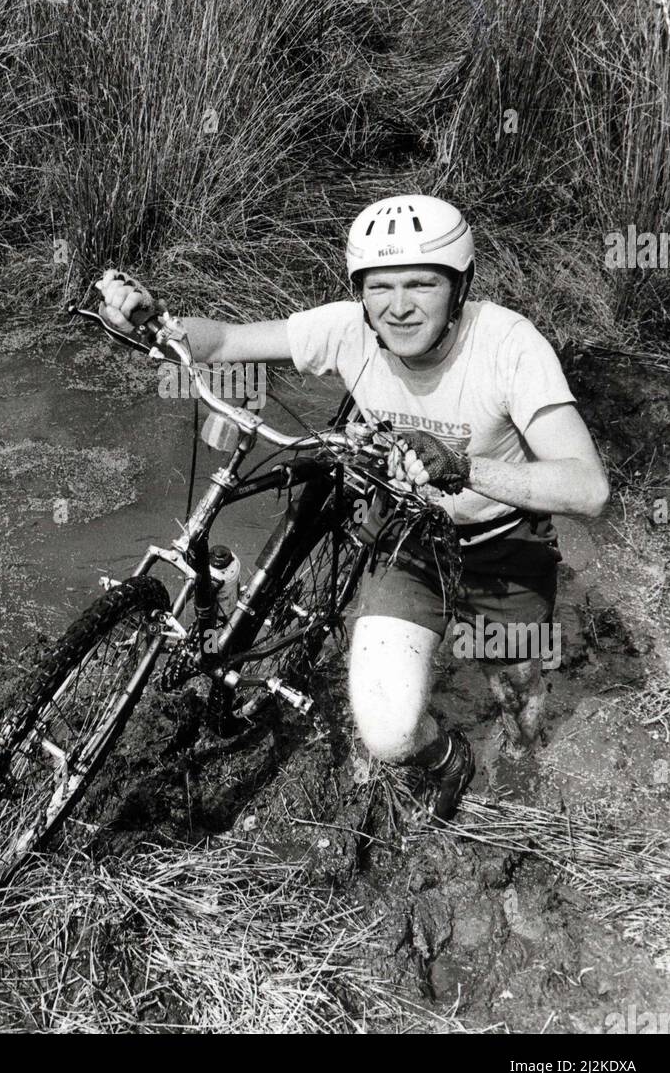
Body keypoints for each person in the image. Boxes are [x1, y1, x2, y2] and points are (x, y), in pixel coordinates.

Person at [95, 194, 609, 822]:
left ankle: (521, 789)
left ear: (460, 286)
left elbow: (588, 487)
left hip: (503, 545)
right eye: (380, 287)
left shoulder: (508, 344)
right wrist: (162, 322)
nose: (399, 306)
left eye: (422, 284)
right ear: (360, 292)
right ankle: (448, 757)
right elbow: (227, 340)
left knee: (521, 704)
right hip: (411, 541)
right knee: (389, 732)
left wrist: (466, 468)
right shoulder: (348, 329)